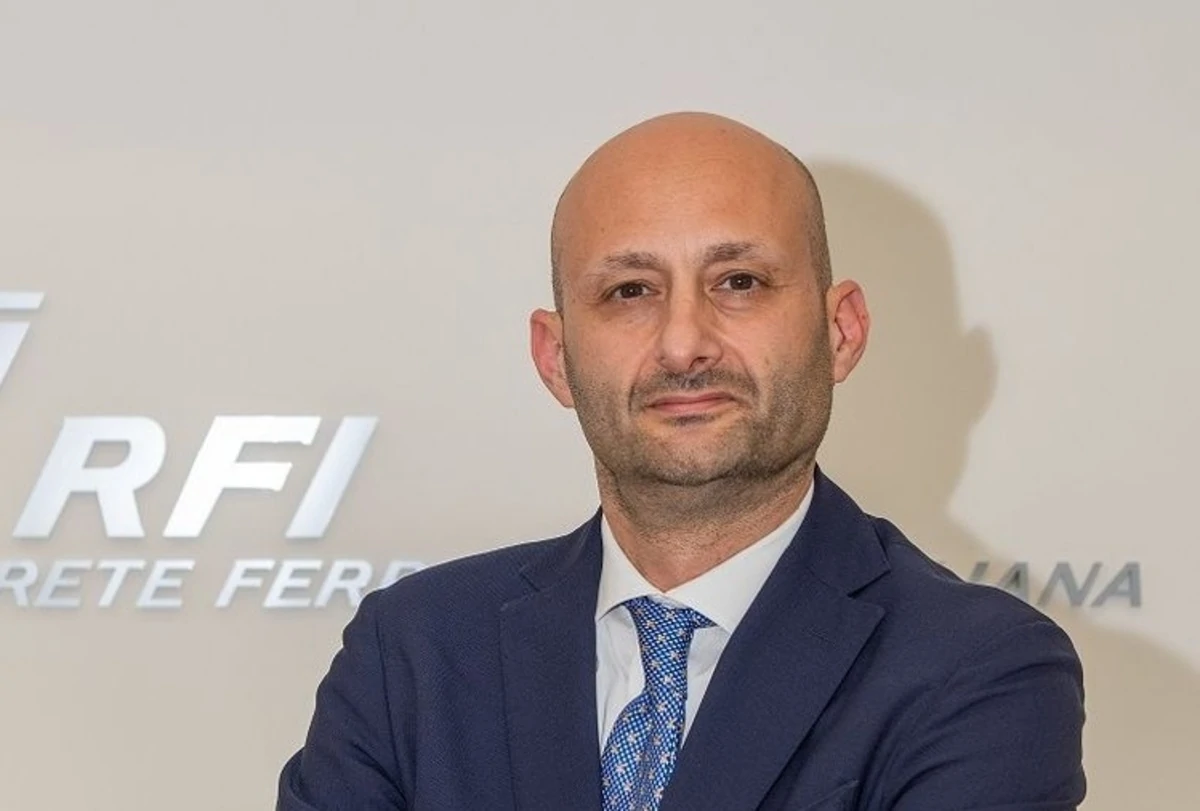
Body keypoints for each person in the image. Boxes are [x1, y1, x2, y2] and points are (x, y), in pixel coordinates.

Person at [277, 113, 1085, 810]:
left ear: (840, 331)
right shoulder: (413, 653)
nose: (684, 343)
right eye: (630, 291)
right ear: (556, 357)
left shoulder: (979, 667)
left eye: (740, 281)